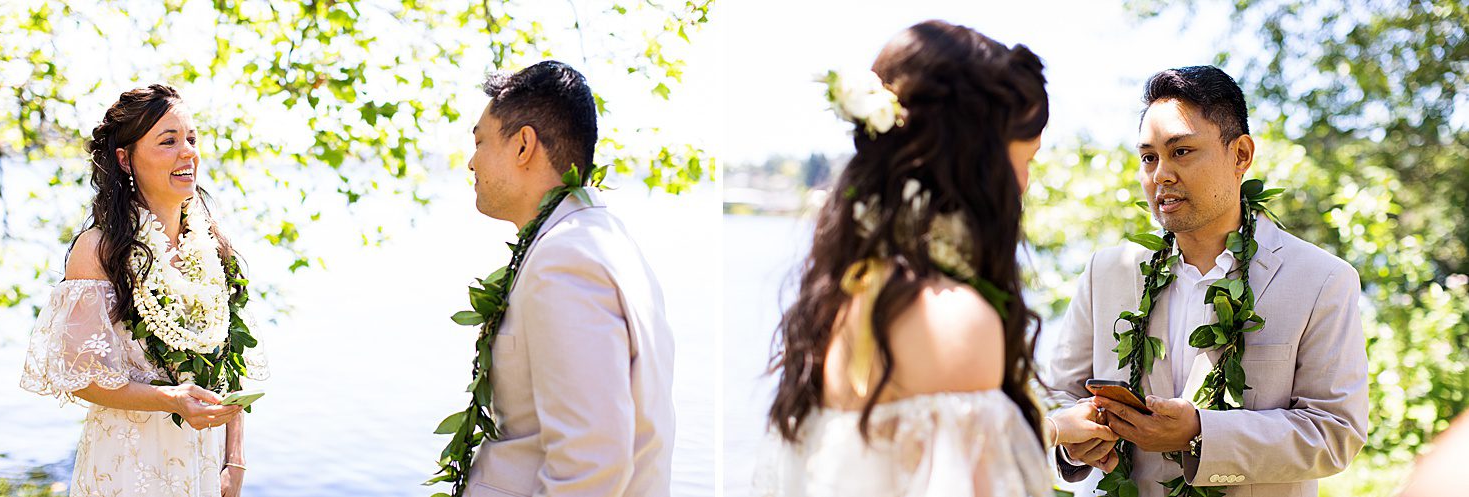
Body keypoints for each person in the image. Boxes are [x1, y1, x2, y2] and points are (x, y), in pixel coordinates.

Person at [759, 20, 1110, 496]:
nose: (1024, 185)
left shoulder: (839, 297)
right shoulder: (955, 320)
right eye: (1024, 161)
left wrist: (1051, 428)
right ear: (976, 163)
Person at [1045, 65, 1368, 496]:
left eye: (1180, 152)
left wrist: (1200, 433)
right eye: (1149, 157)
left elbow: (1335, 433)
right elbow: (1055, 396)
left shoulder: (1322, 279)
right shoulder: (1105, 273)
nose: (1160, 174)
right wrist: (1072, 447)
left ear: (1240, 155)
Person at [20, 84, 267, 497]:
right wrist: (171, 399)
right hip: (126, 465)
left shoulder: (211, 245)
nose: (187, 152)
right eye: (168, 141)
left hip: (204, 463)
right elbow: (80, 377)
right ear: (125, 159)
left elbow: (230, 362)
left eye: (191, 138)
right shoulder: (99, 250)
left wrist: (235, 460)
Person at [457, 60, 676, 497]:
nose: (470, 162)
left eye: (479, 142)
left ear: (523, 146)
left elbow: (591, 466)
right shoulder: (602, 242)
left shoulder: (566, 261)